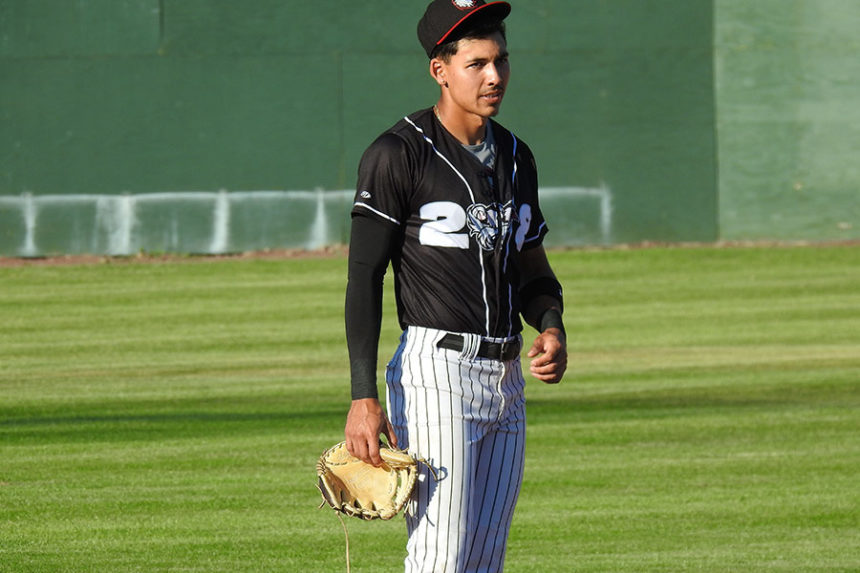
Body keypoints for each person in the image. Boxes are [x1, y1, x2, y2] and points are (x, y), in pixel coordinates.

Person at [343, 1, 567, 571]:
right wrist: (362, 396)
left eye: (501, 60)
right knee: (441, 557)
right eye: (477, 64)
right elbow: (365, 277)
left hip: (507, 379)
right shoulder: (398, 153)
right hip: (435, 374)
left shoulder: (517, 157)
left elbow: (532, 267)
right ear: (439, 69)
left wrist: (551, 324)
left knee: (485, 559)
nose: (494, 76)